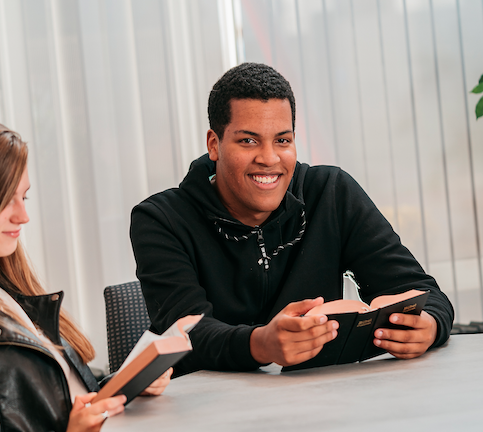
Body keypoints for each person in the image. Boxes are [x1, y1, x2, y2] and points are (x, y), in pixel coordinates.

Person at [130, 63, 454, 376]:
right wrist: (260, 344)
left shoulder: (330, 193)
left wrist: (430, 324)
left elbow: (422, 291)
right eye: (248, 140)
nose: (269, 158)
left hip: (319, 405)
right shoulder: (160, 220)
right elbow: (185, 334)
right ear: (215, 145)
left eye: (282, 140)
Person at [0, 124, 172, 432]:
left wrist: (120, 387)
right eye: (4, 200)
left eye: (23, 198)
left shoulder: (12, 295)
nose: (22, 216)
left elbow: (55, 401)